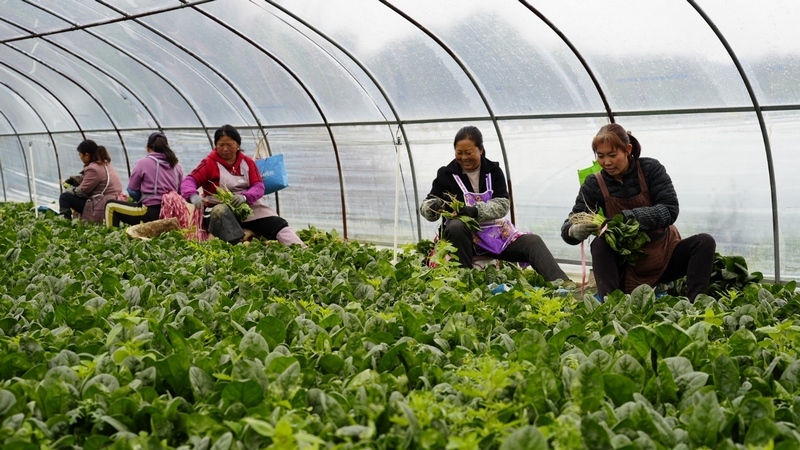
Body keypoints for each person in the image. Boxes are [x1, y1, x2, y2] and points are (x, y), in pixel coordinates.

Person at [561, 123, 716, 302]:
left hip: (663, 256)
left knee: (704, 242)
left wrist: (628, 218)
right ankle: (610, 306)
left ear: (627, 149)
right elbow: (570, 223)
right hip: (626, 267)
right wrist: (573, 231)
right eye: (601, 156)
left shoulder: (651, 169)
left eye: (612, 155)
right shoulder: (594, 183)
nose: (607, 162)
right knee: (599, 244)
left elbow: (670, 209)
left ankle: (696, 304)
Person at [419, 125, 568, 281]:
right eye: (459, 153)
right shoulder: (446, 174)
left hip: (494, 235)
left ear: (481, 150)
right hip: (462, 239)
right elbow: (427, 204)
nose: (464, 158)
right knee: (456, 225)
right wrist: (432, 207)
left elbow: (503, 204)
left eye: (469, 153)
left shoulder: (494, 171)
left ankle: (564, 285)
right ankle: (463, 281)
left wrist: (475, 211)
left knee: (532, 242)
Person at [180, 124, 304, 246]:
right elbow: (190, 180)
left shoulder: (247, 162)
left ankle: (301, 249)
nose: (225, 149)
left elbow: (258, 186)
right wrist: (193, 196)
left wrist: (244, 197)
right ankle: (238, 247)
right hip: (217, 210)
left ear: (238, 145)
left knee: (277, 224)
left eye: (229, 145)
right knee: (221, 211)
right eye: (221, 145)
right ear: (216, 145)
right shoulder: (209, 163)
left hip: (247, 207)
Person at [104, 131, 184, 227]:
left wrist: (141, 197)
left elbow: (132, 191)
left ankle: (112, 238)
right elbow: (180, 192)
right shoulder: (176, 166)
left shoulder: (143, 163)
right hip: (169, 215)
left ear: (148, 148)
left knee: (110, 206)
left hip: (149, 212)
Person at [59, 139, 122, 223]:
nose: (80, 157)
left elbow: (81, 192)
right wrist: (75, 180)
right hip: (111, 200)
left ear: (87, 155)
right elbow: (93, 181)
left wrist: (69, 189)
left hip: (100, 204)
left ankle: (64, 224)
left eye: (80, 155)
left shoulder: (93, 168)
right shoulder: (104, 163)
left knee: (64, 197)